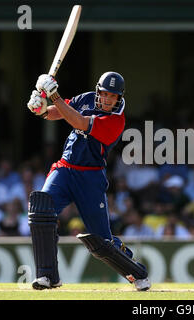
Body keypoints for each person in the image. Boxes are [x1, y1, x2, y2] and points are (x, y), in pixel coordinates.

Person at [26, 72, 150, 291]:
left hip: (90, 176)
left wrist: (52, 96)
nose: (107, 100)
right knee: (41, 209)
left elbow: (79, 122)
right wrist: (42, 110)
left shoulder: (116, 121)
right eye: (104, 94)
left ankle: (137, 273)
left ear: (119, 98)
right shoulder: (87, 98)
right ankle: (47, 276)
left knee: (102, 243)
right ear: (98, 90)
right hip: (65, 168)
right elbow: (60, 112)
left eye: (112, 96)